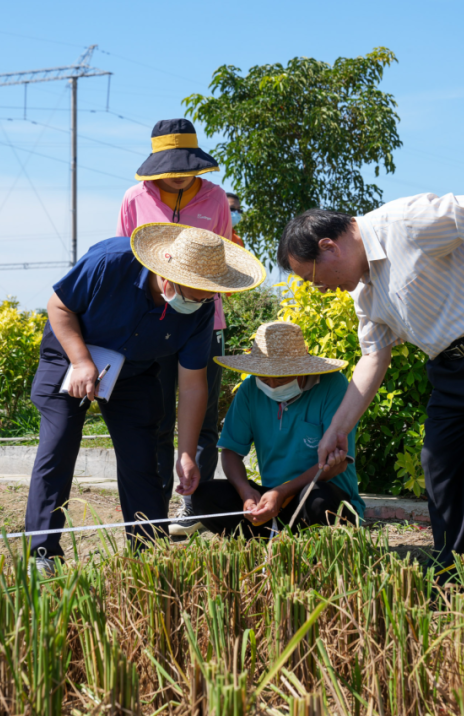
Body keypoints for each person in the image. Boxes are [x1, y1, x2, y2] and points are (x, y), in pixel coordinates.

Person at [277, 194, 464, 579]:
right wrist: (336, 430)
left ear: (329, 246)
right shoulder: (365, 292)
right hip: (450, 365)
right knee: (439, 462)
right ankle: (450, 570)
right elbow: (374, 358)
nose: (321, 288)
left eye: (313, 277)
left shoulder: (402, 221)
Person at [24, 223, 264, 575]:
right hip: (70, 355)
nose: (199, 303)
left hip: (132, 371)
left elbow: (194, 384)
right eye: (193, 294)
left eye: (206, 297)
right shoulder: (110, 262)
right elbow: (59, 307)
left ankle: (149, 554)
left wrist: (186, 453)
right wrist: (80, 361)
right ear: (167, 278)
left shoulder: (199, 310)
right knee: (59, 443)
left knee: (142, 458)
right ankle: (43, 554)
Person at [116, 118, 243, 538]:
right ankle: (153, 508)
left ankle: (194, 504)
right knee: (156, 417)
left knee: (203, 418)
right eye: (168, 166)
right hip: (153, 325)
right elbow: (125, 258)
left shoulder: (216, 199)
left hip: (206, 321)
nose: (176, 174)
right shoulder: (134, 198)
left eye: (183, 165)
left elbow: (222, 259)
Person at [191, 321, 364, 536]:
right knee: (205, 496)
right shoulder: (249, 390)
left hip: (317, 494)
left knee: (321, 501)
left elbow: (337, 465)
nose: (272, 385)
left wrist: (282, 492)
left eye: (281, 377)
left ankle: (288, 538)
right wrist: (246, 493)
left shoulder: (334, 386)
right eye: (264, 377)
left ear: (302, 368)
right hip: (271, 499)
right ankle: (270, 535)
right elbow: (230, 452)